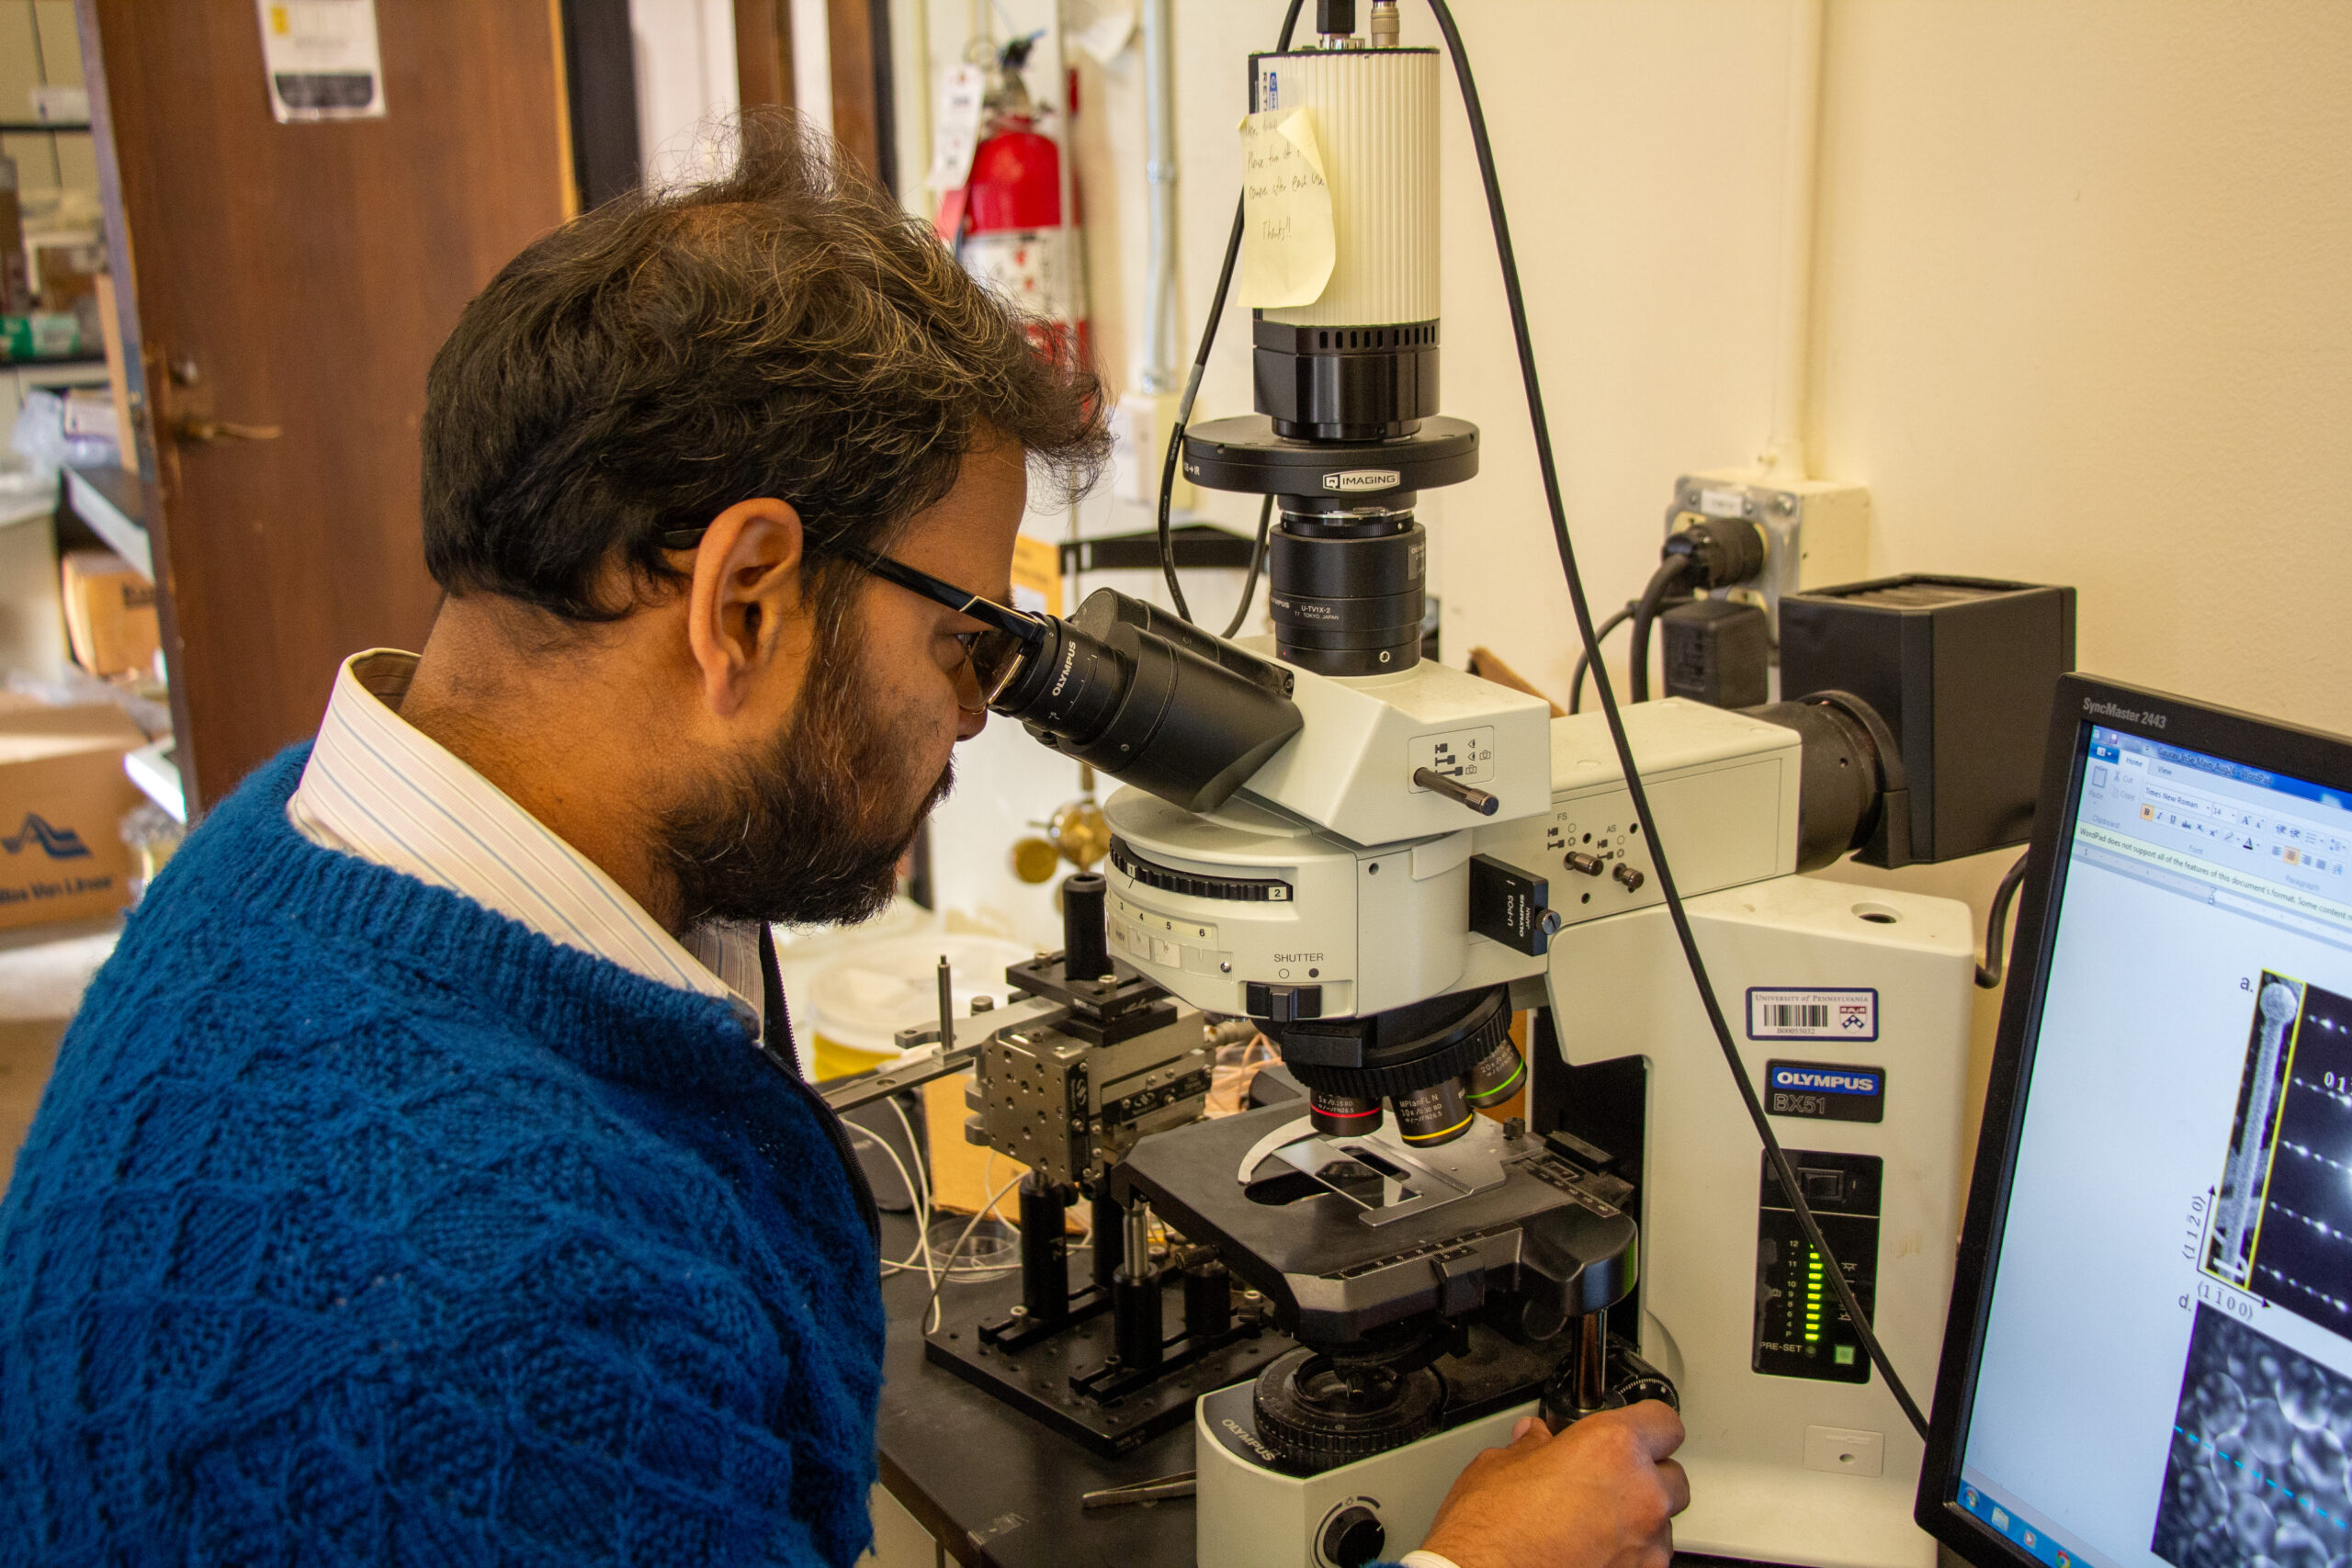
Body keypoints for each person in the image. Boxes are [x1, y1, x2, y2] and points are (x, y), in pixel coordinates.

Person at [0, 117, 1684, 1567]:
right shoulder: (512, 1307)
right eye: (966, 640)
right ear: (740, 598)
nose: (976, 715)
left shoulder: (261, 858)